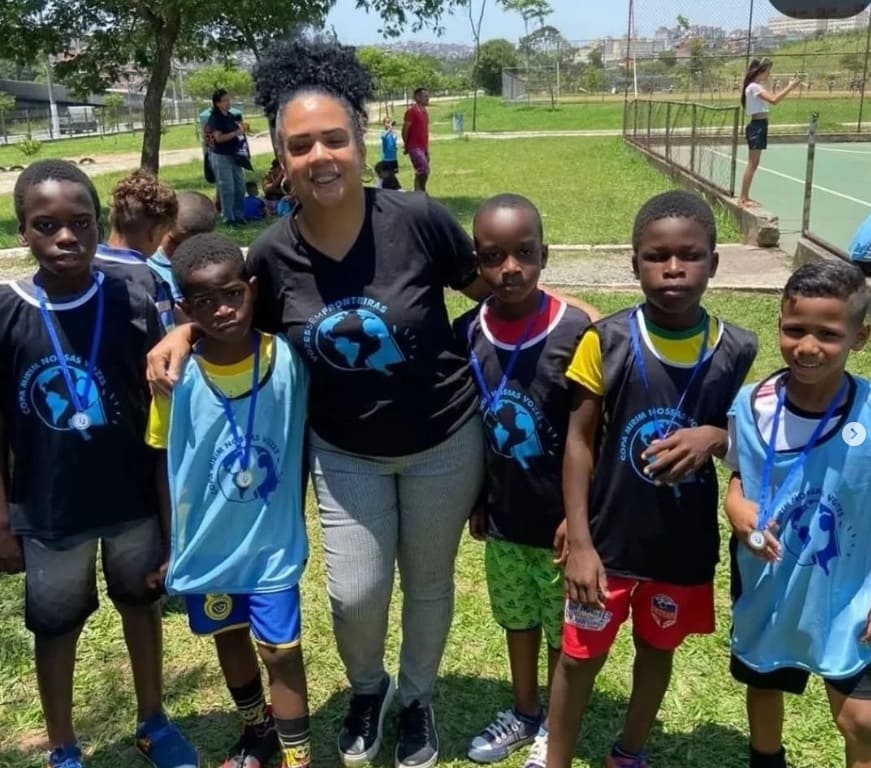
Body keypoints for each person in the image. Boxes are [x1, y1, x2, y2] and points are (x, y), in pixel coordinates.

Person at [147, 40, 487, 768]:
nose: (321, 155)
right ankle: (369, 688)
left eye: (335, 138)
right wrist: (181, 328)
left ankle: (419, 700)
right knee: (355, 594)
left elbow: (490, 298)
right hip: (343, 453)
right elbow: (228, 312)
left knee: (427, 585)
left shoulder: (419, 218)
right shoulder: (270, 253)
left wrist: (567, 309)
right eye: (300, 145)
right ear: (281, 158)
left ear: (361, 143)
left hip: (443, 440)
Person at [546, 190, 758, 768]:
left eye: (689, 256)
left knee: (656, 648)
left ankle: (628, 752)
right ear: (633, 262)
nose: (672, 269)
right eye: (655, 256)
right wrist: (582, 539)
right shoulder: (606, 340)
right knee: (578, 658)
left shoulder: (736, 348)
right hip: (609, 542)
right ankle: (556, 759)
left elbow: (757, 442)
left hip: (680, 545)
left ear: (714, 263)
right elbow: (580, 442)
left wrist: (717, 438)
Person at [0, 160, 197, 768]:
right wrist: (3, 517)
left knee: (141, 606)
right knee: (55, 628)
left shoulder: (133, 294)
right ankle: (63, 746)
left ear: (98, 222)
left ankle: (153, 721)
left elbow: (169, 386)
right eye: (46, 225)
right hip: (50, 506)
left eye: (80, 223)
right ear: (23, 233)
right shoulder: (7, 309)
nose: (66, 238)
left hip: (130, 497)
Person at [145, 233, 311, 768]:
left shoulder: (286, 359)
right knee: (229, 636)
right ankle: (256, 731)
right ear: (182, 309)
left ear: (252, 290)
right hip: (211, 548)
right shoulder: (176, 380)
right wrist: (173, 542)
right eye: (202, 304)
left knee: (281, 652)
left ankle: (296, 757)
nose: (221, 310)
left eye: (233, 295)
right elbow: (164, 464)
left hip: (271, 548)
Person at [455, 195, 593, 768]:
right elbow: (470, 426)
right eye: (493, 256)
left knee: (566, 633)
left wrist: (578, 518)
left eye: (524, 253)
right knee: (517, 619)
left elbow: (594, 435)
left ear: (545, 253)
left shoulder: (578, 329)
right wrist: (478, 499)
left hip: (563, 523)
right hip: (506, 518)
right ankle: (524, 710)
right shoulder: (468, 331)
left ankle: (554, 730)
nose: (510, 268)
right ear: (477, 261)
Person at [725, 260, 871, 768]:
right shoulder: (751, 405)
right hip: (770, 579)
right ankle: (767, 760)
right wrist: (737, 509)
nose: (808, 346)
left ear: (861, 336)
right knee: (765, 681)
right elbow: (740, 476)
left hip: (850, 588)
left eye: (829, 334)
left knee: (861, 721)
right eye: (795, 330)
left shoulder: (870, 412)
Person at [95, 169, 178, 332]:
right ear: (154, 232)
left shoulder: (83, 264)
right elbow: (164, 343)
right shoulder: (152, 284)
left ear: (111, 218)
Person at [738, 58, 802, 208]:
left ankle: (745, 196)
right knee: (752, 163)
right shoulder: (754, 87)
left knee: (754, 163)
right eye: (767, 71)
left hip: (760, 125)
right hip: (757, 126)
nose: (769, 74)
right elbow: (774, 100)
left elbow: (770, 98)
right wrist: (791, 86)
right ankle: (743, 198)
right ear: (760, 71)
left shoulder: (755, 86)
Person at [149, 190, 218, 309]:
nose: (181, 252)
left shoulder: (215, 266)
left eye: (192, 247)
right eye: (175, 242)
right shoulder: (148, 269)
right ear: (162, 226)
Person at [207, 89, 248, 226]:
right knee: (227, 188)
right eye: (224, 100)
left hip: (235, 155)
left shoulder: (231, 116)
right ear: (217, 103)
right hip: (221, 156)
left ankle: (239, 215)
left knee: (240, 187)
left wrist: (241, 131)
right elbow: (218, 138)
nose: (228, 102)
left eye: (229, 99)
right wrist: (236, 133)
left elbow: (237, 133)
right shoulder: (215, 118)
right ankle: (228, 217)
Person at [403, 88, 430, 193]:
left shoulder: (425, 112)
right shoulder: (411, 112)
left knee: (421, 170)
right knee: (424, 169)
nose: (428, 99)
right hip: (414, 147)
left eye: (428, 96)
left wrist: (427, 150)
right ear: (417, 97)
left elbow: (425, 132)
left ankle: (417, 192)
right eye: (425, 96)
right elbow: (405, 130)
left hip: (423, 147)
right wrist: (407, 144)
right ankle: (422, 191)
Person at [380, 118, 400, 184]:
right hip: (386, 159)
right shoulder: (383, 133)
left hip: (393, 158)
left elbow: (394, 142)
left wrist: (395, 147)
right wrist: (389, 129)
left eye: (390, 122)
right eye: (387, 122)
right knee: (385, 176)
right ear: (384, 124)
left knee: (393, 175)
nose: (389, 124)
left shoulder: (393, 133)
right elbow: (383, 137)